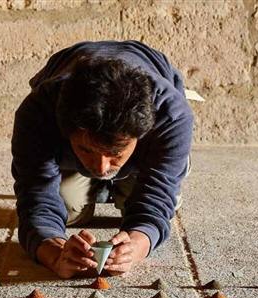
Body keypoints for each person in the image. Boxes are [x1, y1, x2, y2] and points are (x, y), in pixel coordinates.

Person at [11, 40, 193, 278]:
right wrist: (55, 252)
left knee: (146, 203)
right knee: (68, 209)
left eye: (114, 154)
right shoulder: (38, 111)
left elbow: (156, 201)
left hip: (141, 159)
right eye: (87, 150)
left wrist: (137, 245)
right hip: (67, 154)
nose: (101, 166)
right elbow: (35, 197)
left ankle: (136, 170)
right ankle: (95, 173)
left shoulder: (172, 116)